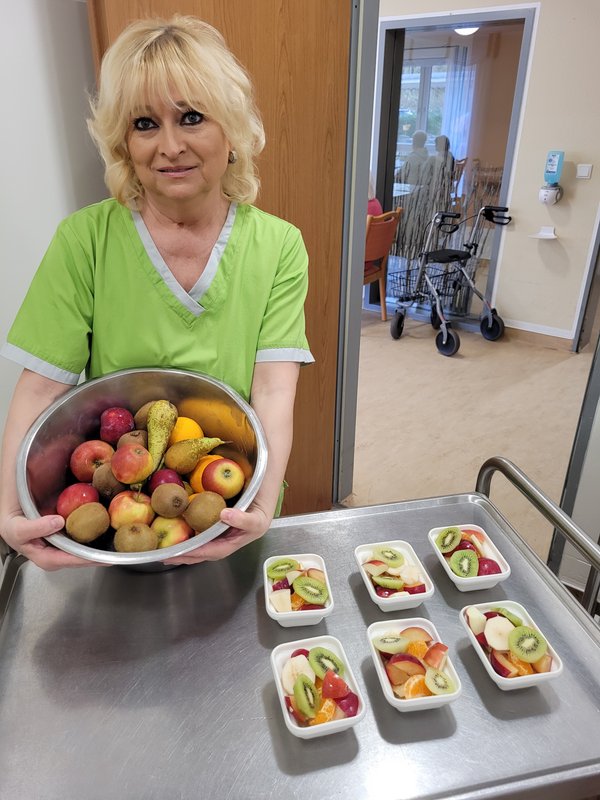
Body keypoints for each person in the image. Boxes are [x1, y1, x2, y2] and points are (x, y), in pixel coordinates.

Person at [0, 15, 314, 571]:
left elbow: (272, 389)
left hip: (229, 503)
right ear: (124, 142)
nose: (170, 146)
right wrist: (9, 512)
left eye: (192, 117)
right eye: (145, 123)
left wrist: (261, 507)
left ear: (232, 129)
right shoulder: (84, 241)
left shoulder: (279, 247)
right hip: (118, 522)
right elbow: (40, 390)